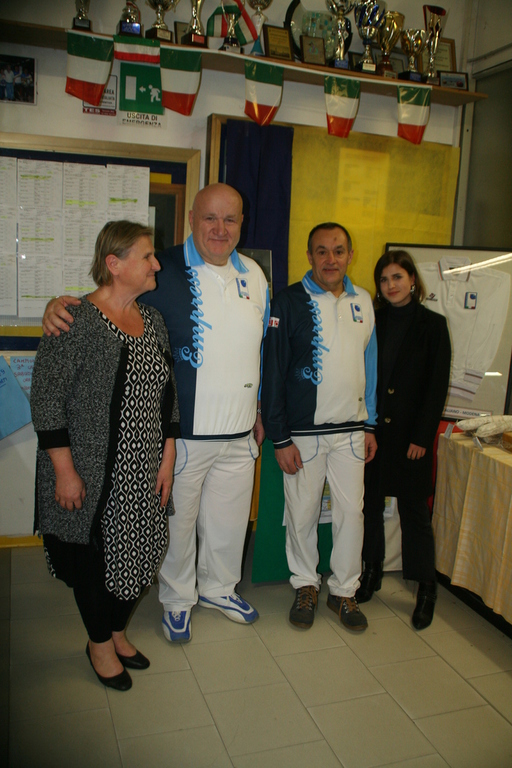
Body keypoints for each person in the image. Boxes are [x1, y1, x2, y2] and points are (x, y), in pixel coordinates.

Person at [42, 183, 270, 644]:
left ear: (242, 223)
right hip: (182, 435)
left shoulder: (256, 275)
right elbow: (107, 300)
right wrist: (56, 305)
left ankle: (220, 589)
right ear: (191, 219)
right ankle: (178, 599)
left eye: (230, 219)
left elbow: (256, 347)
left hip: (239, 431)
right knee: (176, 526)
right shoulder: (160, 270)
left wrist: (259, 407)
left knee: (228, 524)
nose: (220, 229)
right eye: (210, 218)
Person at [31, 220, 180, 691]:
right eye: (147, 256)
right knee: (93, 561)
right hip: (90, 471)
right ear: (114, 264)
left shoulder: (153, 320)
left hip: (144, 469)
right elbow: (47, 399)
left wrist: (168, 456)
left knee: (142, 549)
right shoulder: (74, 319)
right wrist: (65, 471)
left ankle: (116, 630)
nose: (156, 264)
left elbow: (168, 395)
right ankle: (99, 643)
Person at [261, 222, 377, 631]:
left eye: (339, 251)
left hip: (351, 432)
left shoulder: (364, 300)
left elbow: (370, 365)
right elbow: (272, 371)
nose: (331, 259)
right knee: (302, 513)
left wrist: (370, 424)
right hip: (302, 434)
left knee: (351, 514)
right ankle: (306, 585)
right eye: (322, 251)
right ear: (309, 255)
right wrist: (280, 436)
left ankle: (344, 591)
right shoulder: (288, 301)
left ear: (350, 255)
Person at [357, 250, 451, 630]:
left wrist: (422, 437)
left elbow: (436, 387)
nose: (390, 285)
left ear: (412, 280)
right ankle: (371, 572)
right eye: (384, 279)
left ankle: (425, 588)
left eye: (397, 277)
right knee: (369, 507)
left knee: (414, 513)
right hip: (375, 434)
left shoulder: (433, 325)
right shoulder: (372, 321)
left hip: (412, 437)